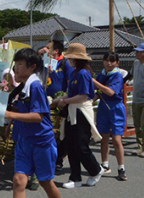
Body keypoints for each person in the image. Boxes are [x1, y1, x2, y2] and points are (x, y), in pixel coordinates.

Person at [5, 48, 61, 198]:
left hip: (41, 141)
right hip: (25, 141)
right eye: (16, 63)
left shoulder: (35, 86)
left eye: (20, 64)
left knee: (45, 182)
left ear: (32, 67)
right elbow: (22, 109)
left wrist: (11, 114)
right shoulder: (23, 86)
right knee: (18, 181)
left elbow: (38, 116)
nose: (16, 67)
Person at [52, 43, 103, 189]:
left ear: (76, 59)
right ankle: (75, 178)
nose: (68, 60)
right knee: (71, 145)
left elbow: (84, 96)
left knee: (81, 146)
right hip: (72, 111)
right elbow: (73, 94)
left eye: (70, 58)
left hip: (81, 112)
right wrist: (58, 101)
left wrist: (65, 101)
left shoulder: (83, 73)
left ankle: (96, 170)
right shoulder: (75, 73)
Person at [92, 52, 127, 181]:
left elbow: (110, 92)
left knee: (117, 139)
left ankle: (121, 167)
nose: (109, 63)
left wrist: (95, 82)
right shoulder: (101, 75)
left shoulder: (117, 76)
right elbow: (99, 93)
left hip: (116, 107)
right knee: (104, 137)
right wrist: (91, 100)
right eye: (106, 60)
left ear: (117, 63)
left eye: (112, 61)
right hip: (103, 107)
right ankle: (105, 164)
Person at [44, 40, 74, 171]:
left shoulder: (65, 63)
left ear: (56, 51)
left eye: (48, 48)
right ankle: (50, 158)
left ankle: (59, 159)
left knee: (60, 133)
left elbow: (69, 82)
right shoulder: (46, 62)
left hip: (60, 102)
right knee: (50, 131)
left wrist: (65, 98)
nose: (45, 49)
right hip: (47, 102)